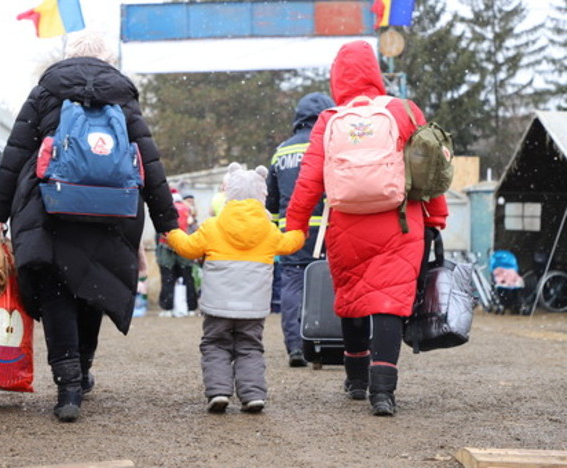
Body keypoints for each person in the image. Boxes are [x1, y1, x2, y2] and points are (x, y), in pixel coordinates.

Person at [0, 30, 179, 422]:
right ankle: (84, 367)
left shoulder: (46, 92)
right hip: (111, 214)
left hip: (51, 209)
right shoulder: (122, 96)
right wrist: (167, 223)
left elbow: (16, 153)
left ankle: (68, 387)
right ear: (107, 59)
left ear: (68, 56)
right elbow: (149, 161)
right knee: (94, 288)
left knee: (58, 291)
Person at [285, 40, 448, 416]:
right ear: (374, 72)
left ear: (337, 78)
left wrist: (295, 224)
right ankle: (383, 392)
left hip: (346, 225)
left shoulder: (329, 119)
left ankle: (356, 379)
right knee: (388, 304)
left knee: (353, 302)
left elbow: (309, 180)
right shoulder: (404, 110)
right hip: (401, 222)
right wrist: (435, 217)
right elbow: (432, 167)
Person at [166, 162, 305, 414]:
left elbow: (188, 248)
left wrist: (172, 233)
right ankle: (252, 395)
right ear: (261, 193)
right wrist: (301, 230)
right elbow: (290, 243)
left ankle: (219, 392)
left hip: (217, 305)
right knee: (250, 346)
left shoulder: (213, 226)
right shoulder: (269, 230)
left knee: (215, 344)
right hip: (253, 306)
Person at [266, 92, 335, 367]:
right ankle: (328, 342)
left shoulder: (282, 150)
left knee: (292, 286)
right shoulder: (330, 145)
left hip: (292, 231)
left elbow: (271, 199)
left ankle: (294, 345)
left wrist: (274, 228)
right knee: (330, 285)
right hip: (328, 229)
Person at [156, 189, 199, 317]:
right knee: (188, 277)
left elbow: (159, 229)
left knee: (168, 277)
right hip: (185, 245)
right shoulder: (188, 209)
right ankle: (191, 307)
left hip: (166, 245)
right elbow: (193, 228)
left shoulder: (164, 208)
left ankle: (167, 308)